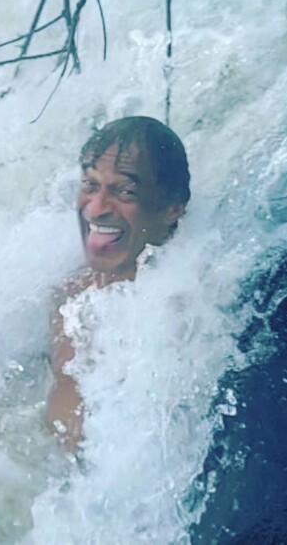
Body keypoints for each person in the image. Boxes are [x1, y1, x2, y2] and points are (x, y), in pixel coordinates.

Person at [46, 116, 191, 451]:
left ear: (172, 208)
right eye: (90, 185)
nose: (96, 210)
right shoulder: (70, 291)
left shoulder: (185, 309)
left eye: (124, 191)